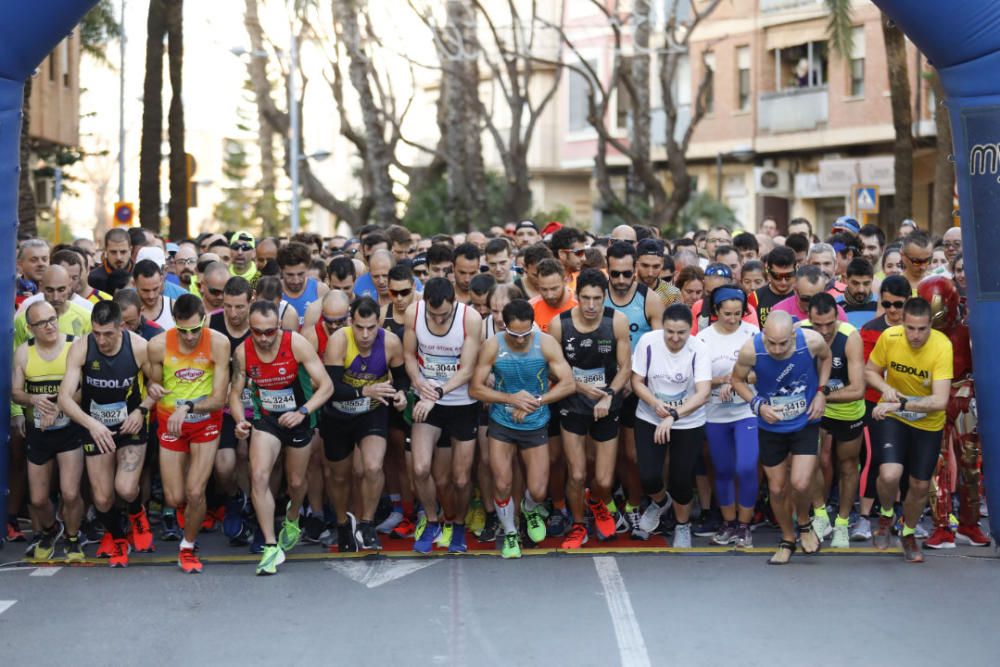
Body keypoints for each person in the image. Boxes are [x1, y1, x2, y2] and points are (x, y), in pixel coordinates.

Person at [229, 301, 333, 575]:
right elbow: (235, 393)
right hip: (267, 421)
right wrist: (240, 420)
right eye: (257, 332)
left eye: (269, 332)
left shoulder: (295, 344)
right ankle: (271, 546)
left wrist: (303, 411)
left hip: (299, 420)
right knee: (259, 476)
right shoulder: (243, 352)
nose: (263, 338)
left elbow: (326, 386)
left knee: (297, 482)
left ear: (278, 327)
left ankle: (293, 515)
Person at [469, 298, 575, 558]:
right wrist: (510, 398)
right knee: (503, 483)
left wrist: (536, 401)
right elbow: (475, 388)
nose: (520, 339)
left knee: (539, 490)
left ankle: (529, 509)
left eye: (526, 333)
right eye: (514, 334)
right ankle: (510, 532)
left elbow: (568, 383)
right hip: (501, 423)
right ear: (504, 326)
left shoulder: (546, 343)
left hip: (535, 422)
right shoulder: (492, 346)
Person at [58, 301, 160, 568]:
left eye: (108, 334)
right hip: (96, 426)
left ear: (122, 327)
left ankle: (137, 512)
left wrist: (141, 411)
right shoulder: (82, 347)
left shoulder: (138, 347)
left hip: (130, 425)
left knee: (125, 489)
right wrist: (91, 424)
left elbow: (159, 385)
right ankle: (117, 537)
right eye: (97, 333)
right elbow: (64, 398)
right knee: (102, 498)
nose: (101, 340)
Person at [730, 311, 831, 564]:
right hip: (771, 424)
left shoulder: (811, 341)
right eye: (771, 342)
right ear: (763, 335)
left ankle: (805, 524)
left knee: (800, 483)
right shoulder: (750, 351)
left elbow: (826, 358)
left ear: (793, 335)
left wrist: (821, 392)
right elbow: (737, 380)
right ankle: (787, 539)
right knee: (776, 488)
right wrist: (757, 405)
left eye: (783, 343)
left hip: (804, 421)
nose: (776, 349)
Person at [547, 269, 632, 547]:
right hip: (572, 403)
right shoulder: (559, 325)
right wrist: (580, 387)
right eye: (586, 298)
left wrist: (608, 394)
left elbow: (626, 368)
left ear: (605, 297)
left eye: (597, 298)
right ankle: (578, 524)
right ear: (576, 297)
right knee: (578, 473)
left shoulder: (616, 321)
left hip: (606, 404)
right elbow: (552, 369)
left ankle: (595, 500)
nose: (592, 305)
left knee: (604, 480)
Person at [147, 295, 230, 573]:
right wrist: (153, 390)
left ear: (204, 319)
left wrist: (189, 407)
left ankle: (187, 545)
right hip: (170, 423)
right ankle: (191, 513)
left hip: (205, 420)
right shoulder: (157, 345)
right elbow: (154, 383)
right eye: (184, 331)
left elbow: (220, 399)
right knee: (173, 497)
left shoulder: (218, 343)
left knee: (195, 491)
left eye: (196, 329)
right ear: (174, 324)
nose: (191, 336)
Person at [865, 297, 952, 563]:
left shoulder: (941, 346)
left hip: (926, 423)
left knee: (920, 484)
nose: (915, 335)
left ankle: (909, 532)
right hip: (896, 419)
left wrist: (898, 403)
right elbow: (870, 371)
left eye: (922, 329)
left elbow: (940, 401)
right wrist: (884, 388)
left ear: (931, 326)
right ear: (902, 323)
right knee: (890, 474)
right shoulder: (890, 337)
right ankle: (886, 514)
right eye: (911, 328)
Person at [321, 297, 408, 551]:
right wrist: (363, 391)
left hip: (372, 412)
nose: (366, 334)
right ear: (351, 322)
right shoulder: (339, 340)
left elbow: (402, 379)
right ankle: (342, 523)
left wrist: (402, 394)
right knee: (339, 477)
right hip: (338, 414)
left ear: (379, 324)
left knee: (372, 467)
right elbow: (332, 388)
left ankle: (367, 524)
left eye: (371, 327)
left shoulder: (391, 342)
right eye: (360, 327)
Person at [403, 277, 483, 553]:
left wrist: (436, 392)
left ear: (455, 303)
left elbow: (468, 370)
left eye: (444, 314)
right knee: (420, 468)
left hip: (462, 403)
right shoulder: (413, 313)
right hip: (429, 401)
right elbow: (409, 355)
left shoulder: (469, 319)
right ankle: (433, 519)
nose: (438, 320)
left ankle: (458, 524)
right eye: (433, 314)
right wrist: (417, 381)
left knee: (460, 478)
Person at [631, 304, 712, 548]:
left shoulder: (699, 348)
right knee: (648, 475)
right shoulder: (648, 342)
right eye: (670, 332)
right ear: (662, 327)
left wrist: (674, 415)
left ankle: (682, 524)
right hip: (650, 415)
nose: (675, 338)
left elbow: (704, 392)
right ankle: (660, 502)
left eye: (681, 333)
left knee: (681, 478)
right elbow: (637, 381)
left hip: (687, 420)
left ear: (690, 331)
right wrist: (655, 403)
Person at [917, 277, 989, 549]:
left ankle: (969, 524)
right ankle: (941, 526)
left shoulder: (971, 327)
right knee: (936, 464)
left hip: (963, 394)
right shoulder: (916, 329)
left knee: (971, 464)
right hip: (932, 396)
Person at [11, 301, 85, 561]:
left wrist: (61, 404)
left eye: (52, 319)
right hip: (39, 432)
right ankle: (52, 529)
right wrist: (33, 400)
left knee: (70, 492)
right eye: (42, 323)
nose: (50, 325)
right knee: (39, 498)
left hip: (68, 429)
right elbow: (16, 392)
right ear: (30, 328)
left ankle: (73, 539)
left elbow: (83, 389)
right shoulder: (23, 352)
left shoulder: (73, 345)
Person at [800, 293, 866, 549]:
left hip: (846, 409)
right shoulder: (799, 333)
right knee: (812, 460)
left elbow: (858, 389)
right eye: (818, 325)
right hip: (816, 408)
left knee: (848, 465)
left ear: (838, 318)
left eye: (830, 324)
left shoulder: (850, 337)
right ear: (809, 319)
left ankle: (842, 523)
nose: (825, 331)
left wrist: (822, 395)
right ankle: (820, 515)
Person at [696, 286, 759, 548]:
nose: (733, 320)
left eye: (738, 314)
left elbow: (763, 371)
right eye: (727, 314)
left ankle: (744, 526)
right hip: (715, 413)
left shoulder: (753, 334)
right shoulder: (703, 339)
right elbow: (697, 379)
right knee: (722, 469)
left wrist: (738, 381)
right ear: (715, 312)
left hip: (746, 411)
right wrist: (720, 380)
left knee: (745, 467)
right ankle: (728, 522)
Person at [855, 274, 910, 541]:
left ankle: (902, 515)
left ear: (908, 302)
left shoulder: (919, 329)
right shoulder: (870, 329)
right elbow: (867, 371)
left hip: (909, 405)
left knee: (904, 462)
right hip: (874, 402)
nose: (892, 310)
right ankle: (864, 518)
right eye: (887, 304)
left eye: (898, 305)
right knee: (874, 458)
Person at [208, 276, 255, 544]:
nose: (233, 313)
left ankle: (252, 510)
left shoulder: (262, 325)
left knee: (249, 457)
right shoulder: (211, 323)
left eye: (239, 307)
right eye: (228, 306)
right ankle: (235, 497)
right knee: (224, 466)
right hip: (223, 409)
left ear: (251, 302)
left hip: (257, 407)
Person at [772, 265, 848, 323]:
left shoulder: (836, 312)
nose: (812, 303)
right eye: (806, 299)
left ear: (824, 291)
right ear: (795, 290)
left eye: (818, 298)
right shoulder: (780, 312)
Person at [279, 241, 329, 327]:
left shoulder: (321, 290)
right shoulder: (272, 290)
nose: (296, 281)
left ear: (308, 268)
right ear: (281, 270)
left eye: (301, 274)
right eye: (290, 275)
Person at [635, 238, 681, 305]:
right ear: (636, 263)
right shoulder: (625, 289)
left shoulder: (672, 295)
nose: (650, 273)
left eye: (656, 266)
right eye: (645, 266)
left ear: (662, 263)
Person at [88, 228, 132, 295]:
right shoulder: (93, 278)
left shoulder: (139, 275)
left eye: (123, 252)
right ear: (105, 251)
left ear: (130, 250)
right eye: (113, 252)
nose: (118, 257)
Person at [133, 259, 175, 329]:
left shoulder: (174, 307)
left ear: (161, 280)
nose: (151, 296)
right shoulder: (125, 310)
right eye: (145, 290)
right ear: (134, 284)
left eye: (155, 289)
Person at [837, 258, 878, 329]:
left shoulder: (881, 305)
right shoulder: (836, 306)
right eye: (855, 283)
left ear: (872, 281)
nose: (861, 290)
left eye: (866, 284)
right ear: (846, 280)